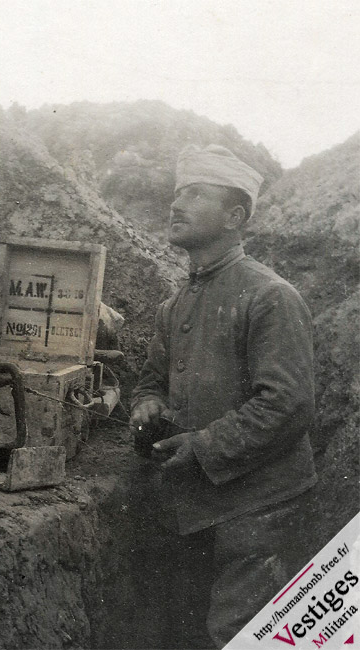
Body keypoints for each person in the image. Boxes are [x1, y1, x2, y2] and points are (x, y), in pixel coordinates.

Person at [129, 144, 317, 648]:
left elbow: (288, 405)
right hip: (198, 504)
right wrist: (146, 404)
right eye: (175, 193)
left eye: (194, 193)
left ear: (235, 216)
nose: (176, 204)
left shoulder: (270, 296)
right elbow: (151, 380)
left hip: (260, 509)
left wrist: (203, 446)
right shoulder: (176, 304)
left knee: (240, 635)